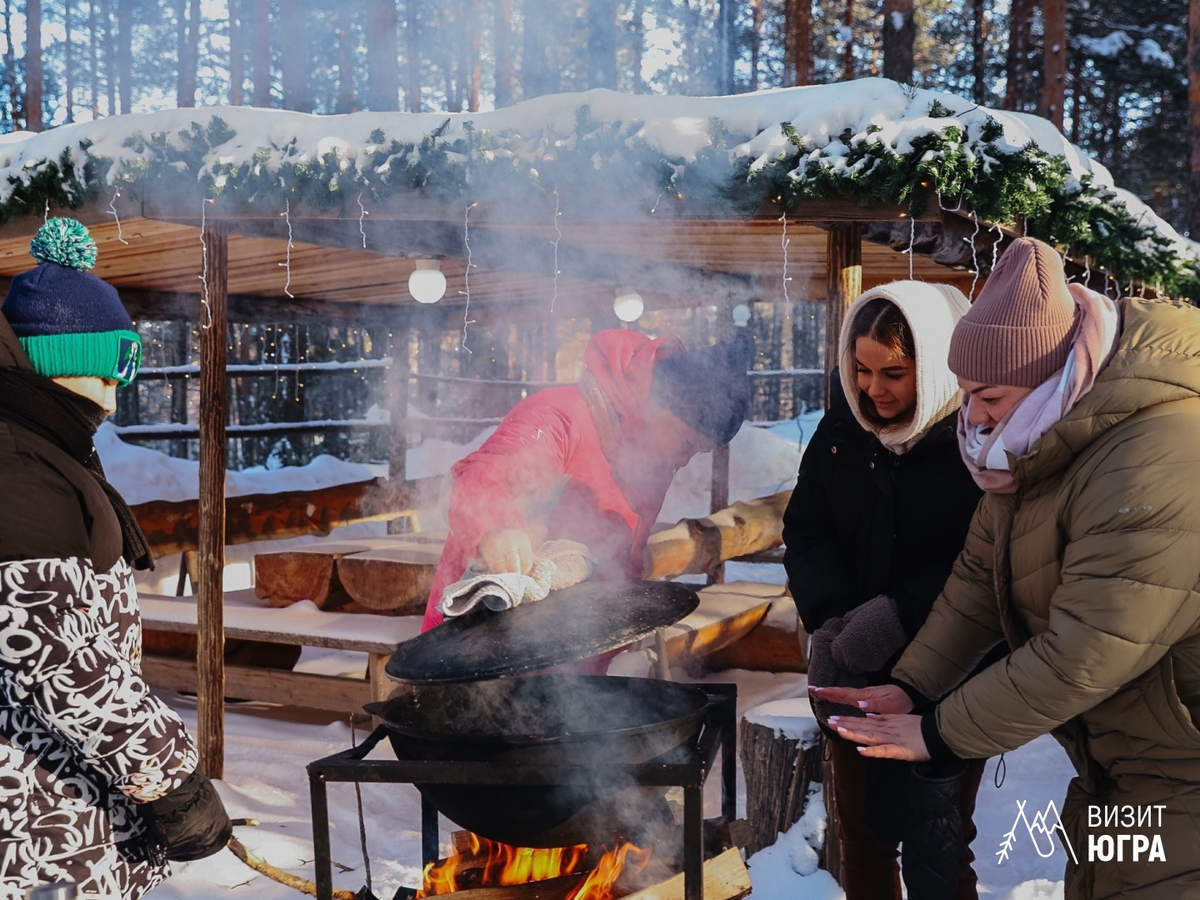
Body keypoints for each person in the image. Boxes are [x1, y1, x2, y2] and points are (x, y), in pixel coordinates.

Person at [820, 237, 1200, 900]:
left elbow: (1085, 651)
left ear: (1053, 373)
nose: (973, 416)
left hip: (1182, 769)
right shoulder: (1034, 440)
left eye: (988, 395)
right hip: (1121, 763)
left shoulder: (1158, 455)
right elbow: (976, 582)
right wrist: (912, 685)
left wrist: (936, 732)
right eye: (965, 394)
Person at [0, 219, 232, 899]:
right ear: (52, 360)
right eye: (104, 370)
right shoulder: (17, 469)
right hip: (37, 831)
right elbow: (59, 664)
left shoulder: (43, 448)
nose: (112, 393)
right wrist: (173, 776)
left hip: (65, 808)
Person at [783, 281, 989, 900]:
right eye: (862, 369)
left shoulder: (973, 439)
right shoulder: (842, 431)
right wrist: (832, 617)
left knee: (940, 836)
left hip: (950, 668)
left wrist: (901, 614)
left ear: (935, 365)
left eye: (894, 373)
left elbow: (985, 561)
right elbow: (807, 530)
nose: (875, 388)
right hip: (855, 666)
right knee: (865, 837)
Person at [422, 329, 751, 632]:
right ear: (663, 405)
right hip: (477, 635)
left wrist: (620, 633)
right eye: (688, 444)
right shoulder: (559, 416)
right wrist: (496, 527)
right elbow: (482, 477)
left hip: (571, 639)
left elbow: (625, 557)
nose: (684, 459)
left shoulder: (651, 461)